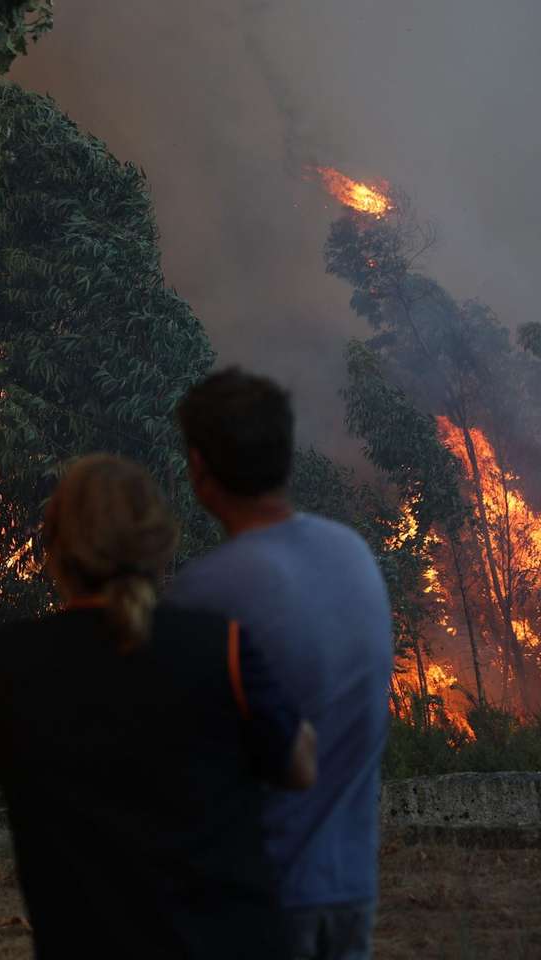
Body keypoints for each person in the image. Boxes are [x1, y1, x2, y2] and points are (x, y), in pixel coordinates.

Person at [0, 453, 317, 959]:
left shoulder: (9, 663)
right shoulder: (217, 647)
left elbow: (8, 768)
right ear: (159, 545)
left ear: (56, 550)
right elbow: (299, 766)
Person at [167, 368, 393, 960]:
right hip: (349, 890)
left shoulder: (202, 593)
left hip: (258, 896)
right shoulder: (354, 556)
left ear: (199, 469)